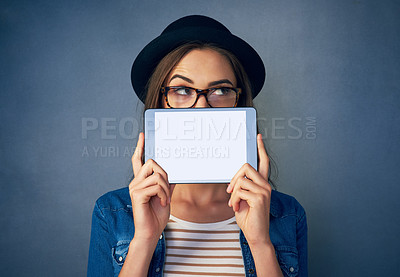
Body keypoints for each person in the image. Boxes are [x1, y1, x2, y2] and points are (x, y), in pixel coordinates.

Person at [87, 15, 307, 277]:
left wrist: (260, 243)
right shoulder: (111, 212)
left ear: (240, 103)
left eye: (222, 91)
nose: (202, 107)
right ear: (159, 102)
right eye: (181, 90)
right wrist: (144, 239)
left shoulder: (288, 215)